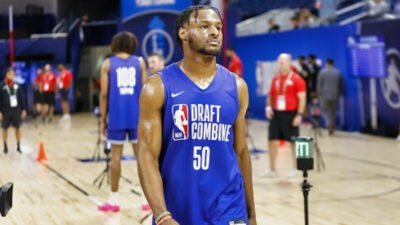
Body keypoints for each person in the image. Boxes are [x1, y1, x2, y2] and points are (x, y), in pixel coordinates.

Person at [137, 5, 256, 225]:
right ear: (183, 33)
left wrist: (251, 215)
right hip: (178, 209)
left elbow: (240, 153)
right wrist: (162, 215)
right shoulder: (157, 87)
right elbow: (147, 156)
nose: (215, 32)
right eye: (204, 26)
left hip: (228, 208)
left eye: (218, 27)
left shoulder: (237, 87)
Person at [98, 31, 147, 212]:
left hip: (117, 116)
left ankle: (114, 200)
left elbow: (104, 95)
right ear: (132, 44)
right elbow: (145, 92)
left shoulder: (108, 64)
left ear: (116, 44)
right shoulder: (140, 62)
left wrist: (103, 119)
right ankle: (146, 200)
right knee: (142, 158)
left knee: (115, 158)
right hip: (136, 116)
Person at [262, 53, 306, 178]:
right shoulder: (275, 79)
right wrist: (268, 107)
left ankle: (296, 168)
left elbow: (302, 99)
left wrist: (299, 115)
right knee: (271, 140)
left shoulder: (297, 79)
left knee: (294, 142)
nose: (280, 65)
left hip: (291, 114)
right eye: (278, 62)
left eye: (282, 62)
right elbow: (270, 96)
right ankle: (272, 169)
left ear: (289, 63)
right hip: (277, 114)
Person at [0, 68, 26, 154]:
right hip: (5, 110)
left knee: (17, 128)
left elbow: (21, 98)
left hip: (16, 110)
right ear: (6, 74)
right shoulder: (2, 85)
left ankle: (18, 146)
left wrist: (23, 109)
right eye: (10, 73)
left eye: (13, 74)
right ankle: (5, 147)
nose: (12, 75)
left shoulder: (17, 85)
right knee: (5, 128)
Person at [317, 59, 343, 135]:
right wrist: (339, 94)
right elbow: (341, 85)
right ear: (333, 63)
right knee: (333, 112)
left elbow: (319, 84)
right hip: (335, 95)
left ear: (326, 63)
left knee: (324, 111)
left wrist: (319, 94)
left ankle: (329, 124)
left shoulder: (322, 72)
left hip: (324, 95)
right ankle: (332, 125)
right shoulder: (338, 72)